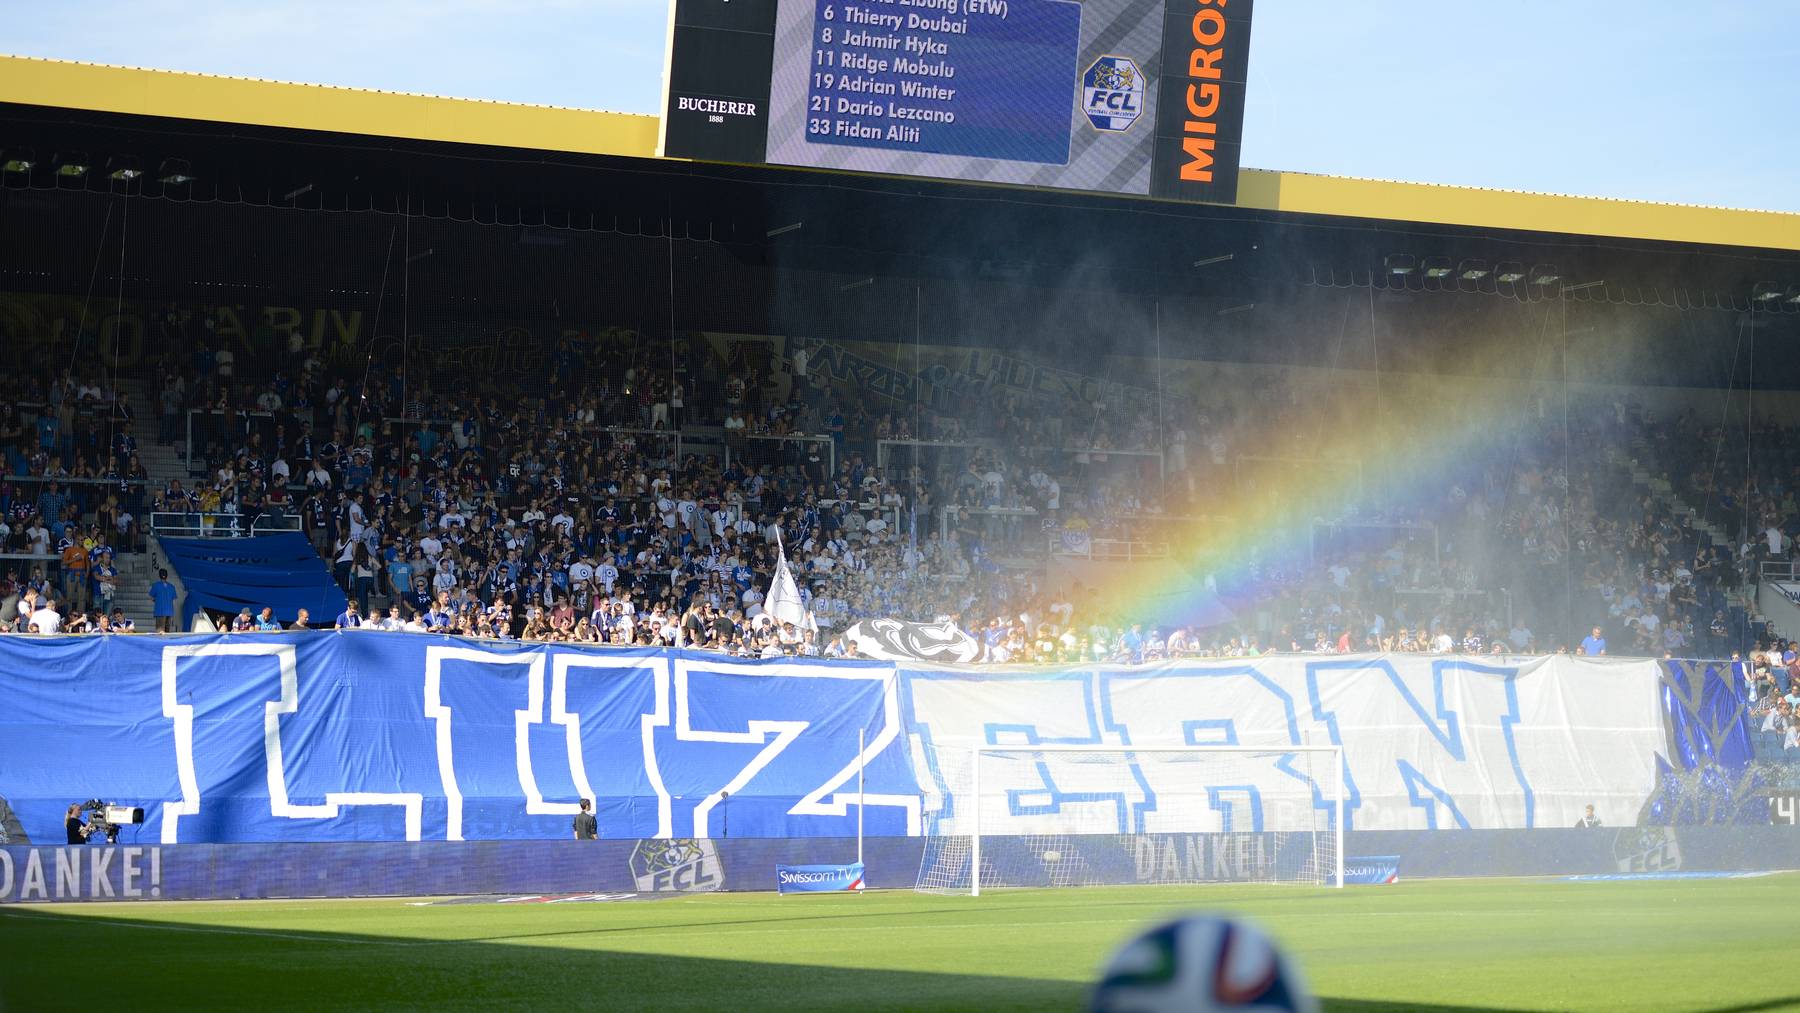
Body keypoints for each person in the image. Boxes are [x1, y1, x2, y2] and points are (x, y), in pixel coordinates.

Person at [149, 570, 178, 634]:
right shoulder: (171, 587)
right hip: (169, 612)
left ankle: (160, 644)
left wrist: (157, 601)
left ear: (159, 576)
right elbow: (174, 598)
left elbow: (151, 597)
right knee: (167, 632)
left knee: (160, 632)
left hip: (160, 612)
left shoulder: (155, 586)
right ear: (167, 576)